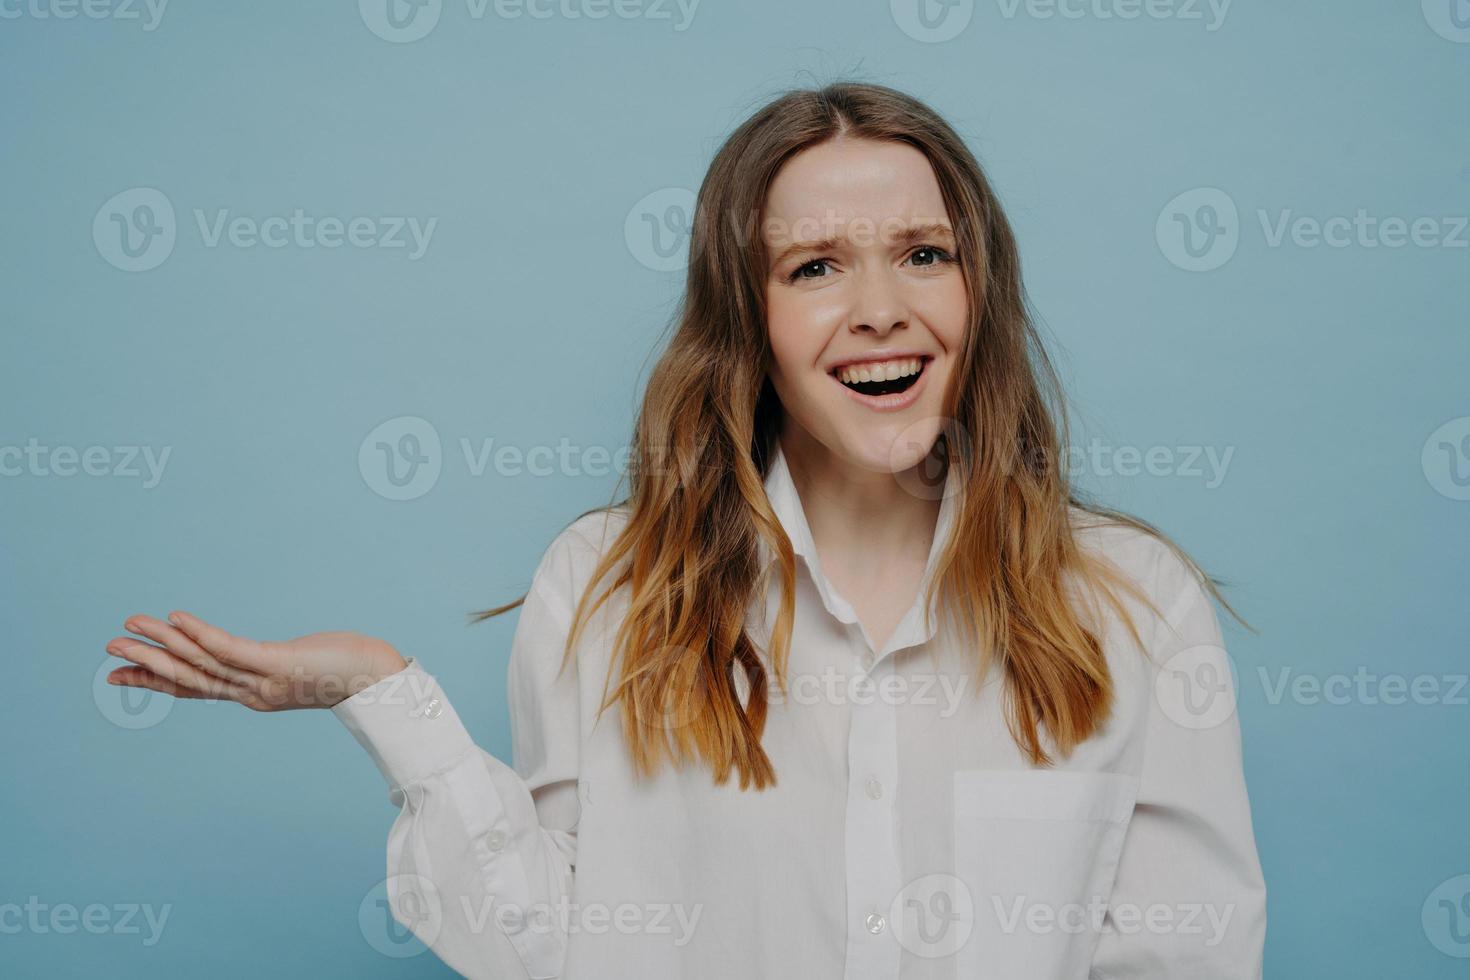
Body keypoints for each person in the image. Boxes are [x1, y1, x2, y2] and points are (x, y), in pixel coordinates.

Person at [104, 81, 1267, 979]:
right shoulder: (608, 590)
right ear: (746, 319)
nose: (881, 308)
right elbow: (550, 950)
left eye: (924, 253)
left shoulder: (1134, 602)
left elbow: (1187, 956)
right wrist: (387, 697)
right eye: (815, 266)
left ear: (978, 292)